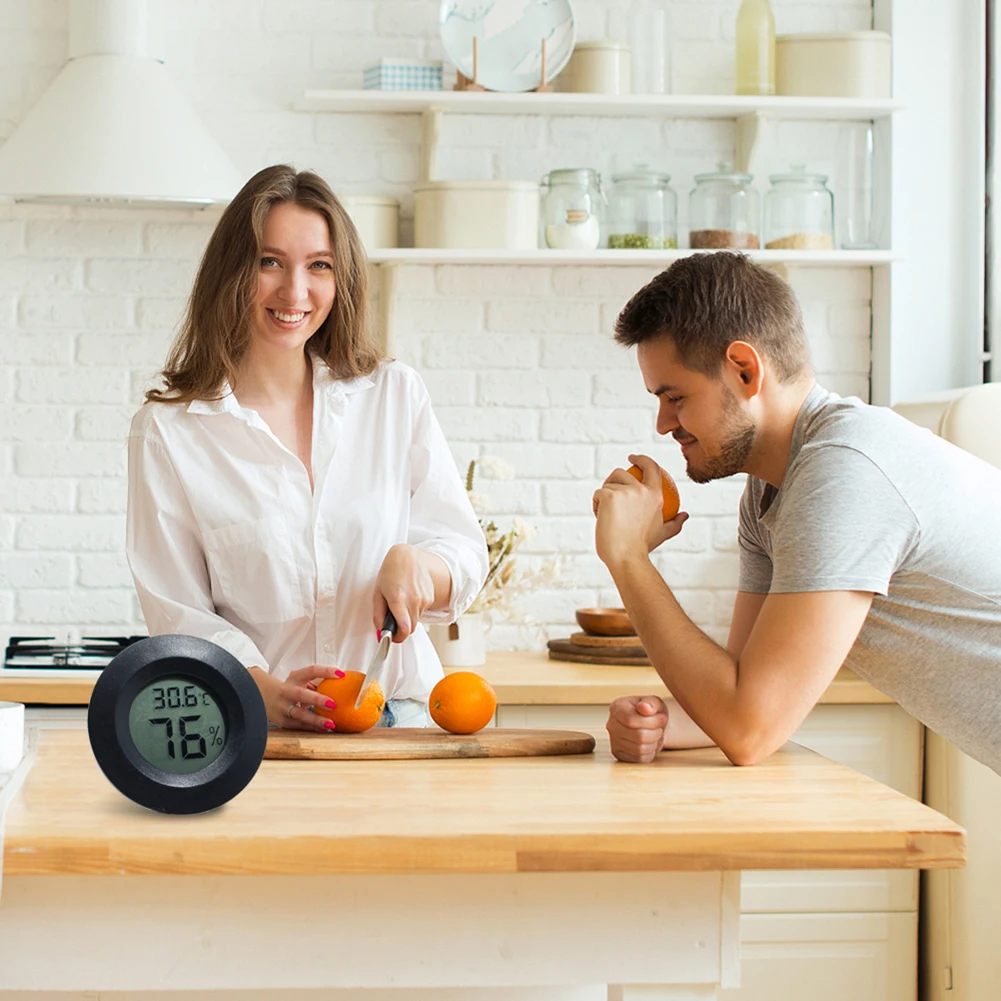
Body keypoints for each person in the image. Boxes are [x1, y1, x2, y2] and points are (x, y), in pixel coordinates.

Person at [593, 252, 1001, 776]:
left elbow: (749, 728)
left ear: (744, 370)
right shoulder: (773, 487)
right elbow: (745, 686)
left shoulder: (846, 470)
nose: (663, 423)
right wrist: (664, 724)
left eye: (675, 397)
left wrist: (628, 558)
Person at [127, 165, 488, 731]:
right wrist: (262, 691)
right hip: (262, 732)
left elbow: (464, 549)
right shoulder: (169, 431)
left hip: (404, 721)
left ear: (341, 278)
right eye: (269, 262)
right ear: (231, 272)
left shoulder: (392, 394)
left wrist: (421, 564)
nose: (295, 292)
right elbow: (177, 612)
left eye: (319, 265)